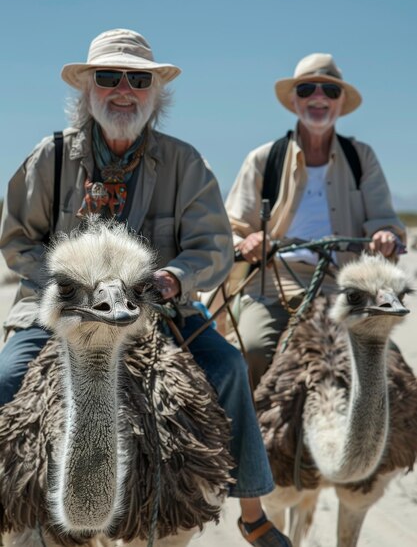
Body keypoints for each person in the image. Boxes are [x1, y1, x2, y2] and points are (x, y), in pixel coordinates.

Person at [0, 29, 291, 547]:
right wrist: (69, 287)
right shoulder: (50, 157)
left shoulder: (184, 163)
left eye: (137, 79)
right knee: (5, 381)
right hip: (66, 313)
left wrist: (175, 277)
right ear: (88, 87)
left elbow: (211, 246)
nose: (123, 90)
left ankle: (251, 507)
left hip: (161, 311)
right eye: (109, 77)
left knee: (227, 369)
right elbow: (19, 239)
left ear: (155, 93)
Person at [226, 52, 406, 387]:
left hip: (346, 286)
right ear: (294, 100)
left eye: (330, 91)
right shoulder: (264, 159)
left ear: (340, 103)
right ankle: (248, 439)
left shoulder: (361, 157)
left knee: (391, 371)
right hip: (274, 285)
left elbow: (386, 222)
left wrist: (385, 236)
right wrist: (247, 242)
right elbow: (231, 230)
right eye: (307, 89)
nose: (318, 97)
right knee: (251, 351)